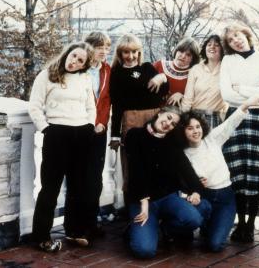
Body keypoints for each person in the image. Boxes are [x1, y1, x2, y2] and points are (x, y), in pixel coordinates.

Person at [28, 42, 96, 252]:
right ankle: (41, 236)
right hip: (57, 134)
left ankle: (74, 231)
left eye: (80, 60)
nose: (74, 62)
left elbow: (90, 106)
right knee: (50, 187)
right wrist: (46, 129)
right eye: (73, 55)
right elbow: (35, 106)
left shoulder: (85, 78)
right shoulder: (47, 75)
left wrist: (90, 126)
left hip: (81, 134)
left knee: (78, 186)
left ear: (85, 65)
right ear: (67, 52)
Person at [125, 106, 211, 258]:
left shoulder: (172, 142)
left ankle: (165, 228)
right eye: (168, 118)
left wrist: (196, 191)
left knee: (194, 219)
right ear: (160, 114)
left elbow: (186, 169)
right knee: (144, 250)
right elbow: (136, 170)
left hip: (167, 198)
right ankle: (136, 229)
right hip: (142, 200)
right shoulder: (135, 135)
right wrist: (144, 205)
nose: (168, 124)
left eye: (173, 124)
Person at [180, 96, 259, 252]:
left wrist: (245, 105)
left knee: (215, 245)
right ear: (183, 131)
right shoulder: (183, 154)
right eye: (190, 128)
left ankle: (211, 225)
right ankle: (196, 225)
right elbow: (180, 181)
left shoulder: (211, 139)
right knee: (190, 221)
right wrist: (193, 184)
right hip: (203, 198)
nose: (195, 131)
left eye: (197, 126)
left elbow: (230, 123)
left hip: (225, 198)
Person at [219, 23, 259, 243]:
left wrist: (241, 89)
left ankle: (250, 224)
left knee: (256, 170)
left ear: (246, 34)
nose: (236, 41)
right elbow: (226, 94)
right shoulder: (228, 61)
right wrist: (254, 93)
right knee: (237, 170)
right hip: (236, 117)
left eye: (238, 35)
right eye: (231, 40)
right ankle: (240, 222)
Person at [108, 34, 169, 199]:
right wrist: (115, 134)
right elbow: (117, 105)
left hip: (154, 116)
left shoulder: (148, 67)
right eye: (126, 52)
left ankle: (158, 200)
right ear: (120, 54)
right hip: (132, 119)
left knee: (156, 158)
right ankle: (134, 202)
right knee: (134, 161)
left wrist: (161, 77)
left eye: (134, 52)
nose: (131, 56)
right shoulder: (116, 73)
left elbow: (163, 92)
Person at [83, 31, 112, 237]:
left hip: (99, 131)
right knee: (78, 176)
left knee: (95, 176)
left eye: (107, 47)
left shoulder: (107, 70)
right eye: (99, 47)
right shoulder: (79, 69)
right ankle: (77, 223)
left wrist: (101, 122)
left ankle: (91, 221)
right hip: (79, 129)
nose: (103, 51)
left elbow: (106, 100)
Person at [181, 34, 228, 129]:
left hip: (216, 119)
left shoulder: (227, 70)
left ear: (222, 49)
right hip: (195, 118)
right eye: (209, 44)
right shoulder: (195, 69)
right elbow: (187, 99)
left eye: (217, 45)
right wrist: (183, 120)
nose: (212, 47)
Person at [148, 37, 200, 107]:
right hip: (150, 111)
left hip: (174, 115)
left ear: (193, 59)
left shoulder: (194, 76)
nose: (183, 56)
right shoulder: (159, 65)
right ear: (176, 51)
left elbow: (198, 101)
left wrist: (182, 96)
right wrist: (158, 77)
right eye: (181, 51)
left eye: (188, 55)